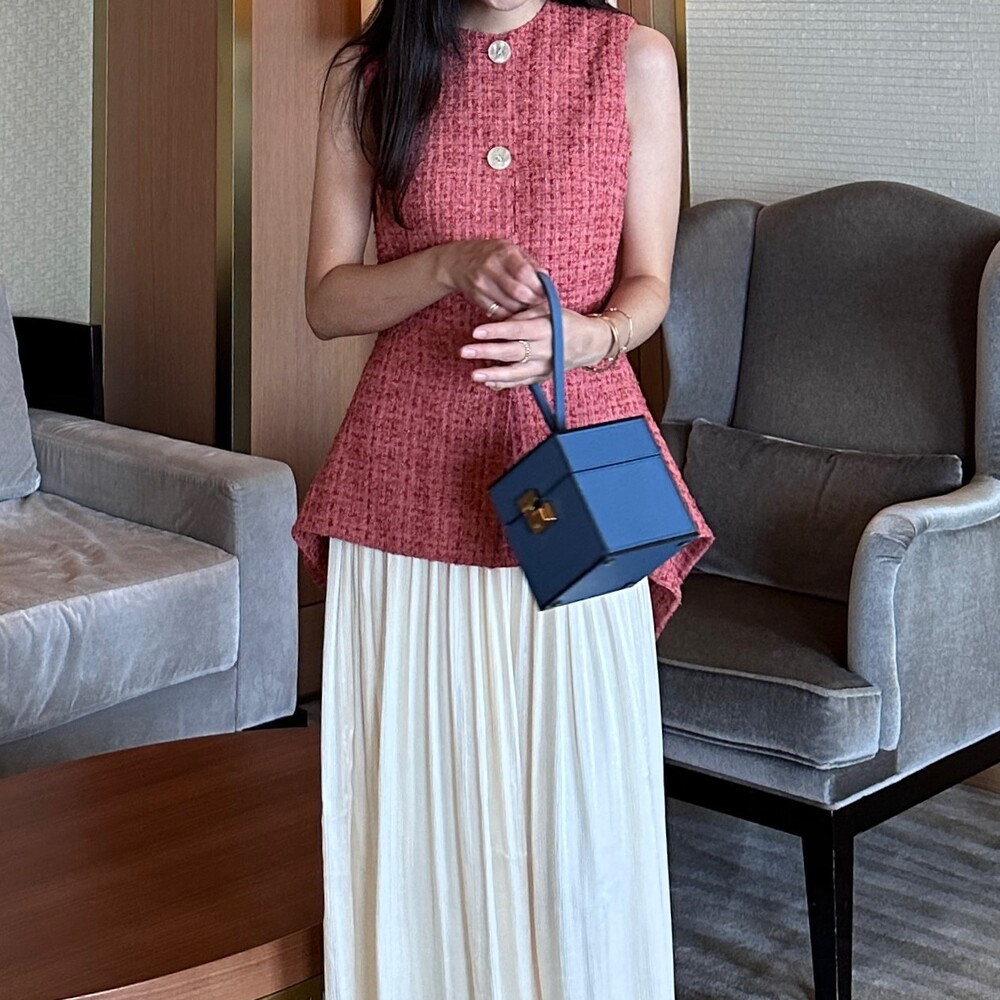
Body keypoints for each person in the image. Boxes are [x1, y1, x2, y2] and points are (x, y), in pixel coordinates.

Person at [293, 0, 713, 996]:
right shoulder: (370, 75)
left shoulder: (632, 59)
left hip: (576, 472)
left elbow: (648, 283)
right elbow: (327, 300)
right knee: (416, 803)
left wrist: (588, 336)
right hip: (400, 488)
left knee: (579, 803)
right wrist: (445, 264)